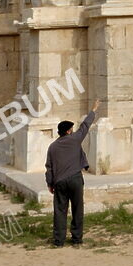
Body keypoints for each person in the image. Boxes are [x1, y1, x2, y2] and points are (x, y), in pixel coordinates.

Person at [45, 100, 100, 248]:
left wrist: (50, 183)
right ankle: (76, 238)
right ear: (68, 131)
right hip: (75, 178)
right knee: (77, 209)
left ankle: (59, 240)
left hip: (60, 182)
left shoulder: (52, 147)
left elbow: (49, 167)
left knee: (60, 211)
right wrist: (93, 110)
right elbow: (85, 125)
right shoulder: (75, 139)